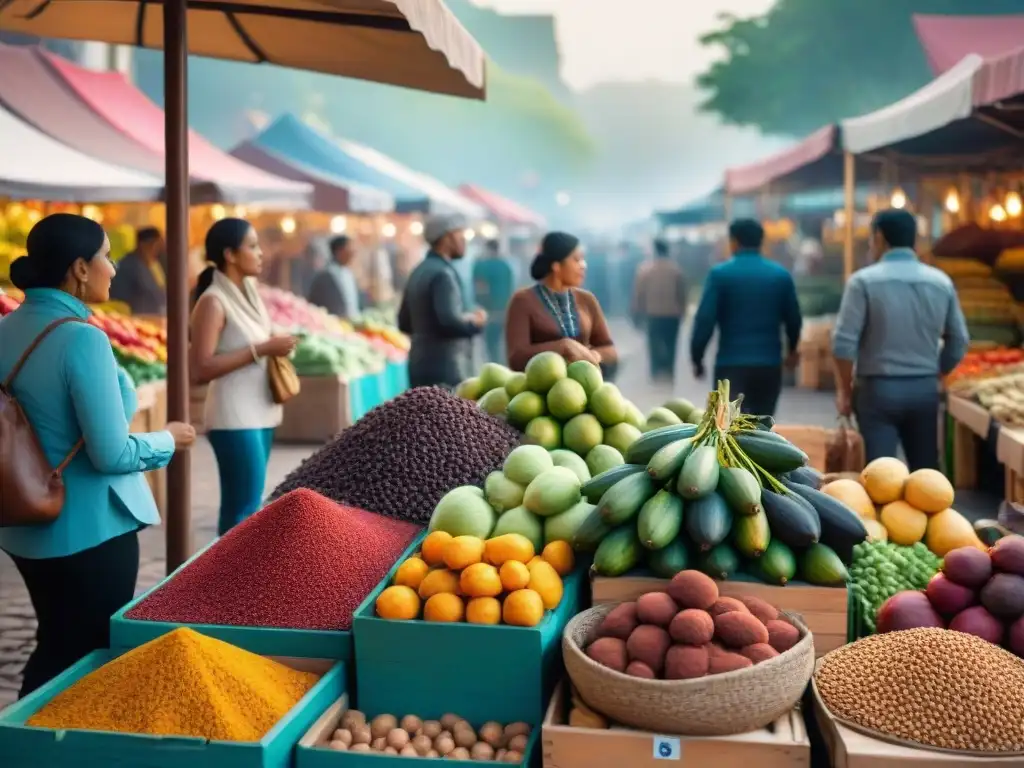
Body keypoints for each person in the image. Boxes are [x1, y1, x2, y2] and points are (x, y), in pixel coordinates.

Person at [0, 213, 194, 698]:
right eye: (106, 256)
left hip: (23, 522)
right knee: (87, 656)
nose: (113, 267)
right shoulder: (82, 338)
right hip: (89, 530)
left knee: (56, 641)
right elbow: (110, 452)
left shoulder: (7, 329)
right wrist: (168, 440)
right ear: (80, 268)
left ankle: (30, 740)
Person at [833, 209, 969, 470]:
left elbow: (843, 344)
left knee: (880, 474)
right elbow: (959, 340)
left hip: (876, 391)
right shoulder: (941, 282)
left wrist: (845, 392)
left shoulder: (862, 282)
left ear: (880, 237)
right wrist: (937, 371)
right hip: (924, 390)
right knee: (926, 474)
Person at [189, 218, 299, 535]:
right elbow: (200, 369)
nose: (260, 253)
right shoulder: (213, 301)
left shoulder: (248, 292)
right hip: (234, 418)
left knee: (249, 506)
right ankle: (229, 580)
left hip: (260, 412)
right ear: (230, 254)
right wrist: (262, 348)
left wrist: (276, 342)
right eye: (252, 246)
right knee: (243, 510)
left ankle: (234, 578)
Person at [690, 218, 802, 417]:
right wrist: (792, 350)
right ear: (761, 242)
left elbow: (705, 320)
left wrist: (697, 358)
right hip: (769, 366)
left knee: (727, 431)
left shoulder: (720, 274)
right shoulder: (780, 276)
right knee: (762, 431)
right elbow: (794, 319)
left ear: (734, 242)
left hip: (730, 367)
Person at [505, 232, 617, 374]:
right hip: (537, 390)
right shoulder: (522, 301)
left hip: (583, 386)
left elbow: (609, 349)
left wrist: (593, 356)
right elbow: (516, 358)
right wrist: (562, 347)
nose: (583, 265)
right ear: (556, 266)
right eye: (576, 260)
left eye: (583, 259)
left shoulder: (587, 300)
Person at [397, 215, 485, 388]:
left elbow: (404, 322)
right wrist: (476, 323)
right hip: (444, 370)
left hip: (417, 365)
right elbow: (449, 323)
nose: (464, 242)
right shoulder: (444, 274)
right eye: (460, 236)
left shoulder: (418, 271)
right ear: (447, 238)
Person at [632, 238, 688, 381]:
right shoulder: (676, 269)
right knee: (671, 343)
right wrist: (682, 310)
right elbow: (682, 293)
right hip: (672, 314)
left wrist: (636, 312)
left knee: (654, 343)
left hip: (652, 314)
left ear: (654, 251)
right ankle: (669, 370)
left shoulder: (645, 269)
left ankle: (656, 372)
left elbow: (639, 293)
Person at [473, 239, 517, 364]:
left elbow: (479, 287)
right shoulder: (507, 265)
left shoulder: (481, 265)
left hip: (488, 312)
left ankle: (493, 368)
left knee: (490, 345)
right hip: (505, 310)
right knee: (503, 344)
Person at [108, 226, 166, 315]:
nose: (158, 250)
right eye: (156, 245)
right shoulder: (128, 266)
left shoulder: (152, 265)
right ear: (143, 244)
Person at [306, 234, 360, 319]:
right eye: (350, 247)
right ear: (340, 251)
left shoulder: (348, 273)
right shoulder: (326, 275)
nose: (354, 252)